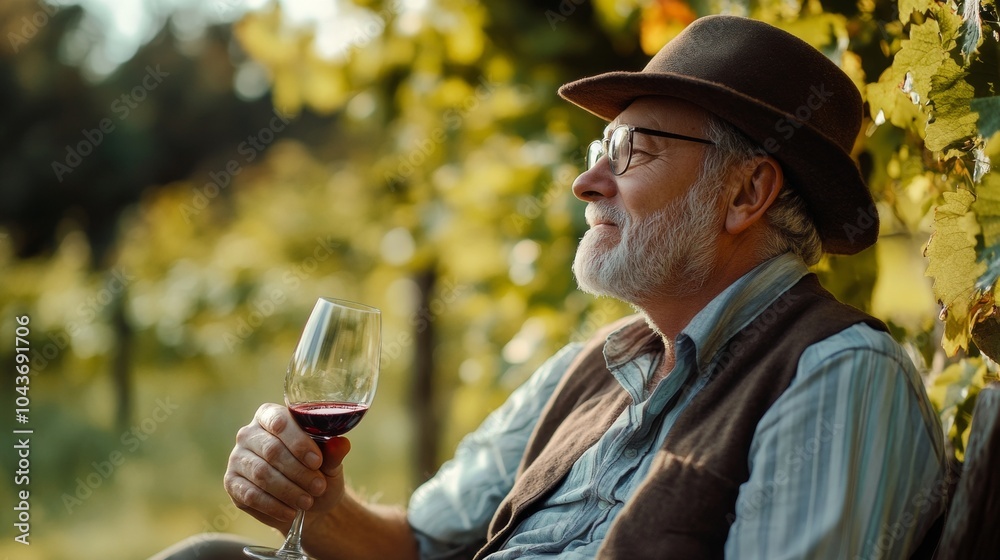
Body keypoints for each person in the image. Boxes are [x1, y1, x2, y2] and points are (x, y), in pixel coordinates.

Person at [156, 14, 947, 560]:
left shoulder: (837, 375)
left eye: (632, 150)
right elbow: (418, 546)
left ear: (746, 194)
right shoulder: (594, 366)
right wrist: (319, 504)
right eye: (599, 149)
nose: (586, 182)